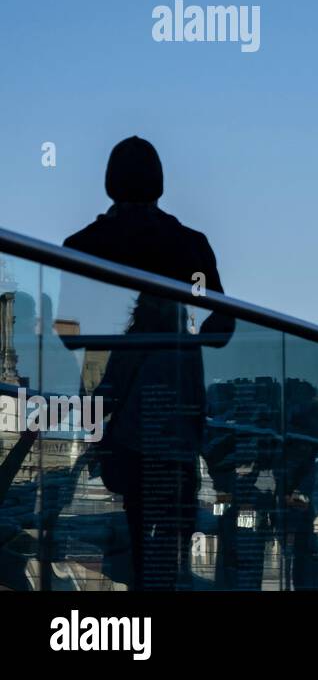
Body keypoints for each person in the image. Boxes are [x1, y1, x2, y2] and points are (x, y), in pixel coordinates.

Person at [63, 136, 232, 590]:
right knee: (173, 517)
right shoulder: (190, 244)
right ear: (160, 181)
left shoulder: (81, 244)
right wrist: (178, 336)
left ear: (109, 181)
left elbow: (66, 330)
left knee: (134, 514)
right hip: (179, 402)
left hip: (119, 410)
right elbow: (225, 326)